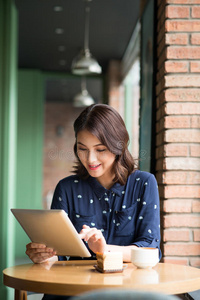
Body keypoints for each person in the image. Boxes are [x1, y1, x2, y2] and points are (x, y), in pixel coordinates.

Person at [26, 104, 161, 299]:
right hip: (71, 292)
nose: (90, 159)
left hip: (126, 292)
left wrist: (104, 250)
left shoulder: (144, 184)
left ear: (119, 146)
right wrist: (45, 255)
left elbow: (151, 250)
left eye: (100, 149)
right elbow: (60, 255)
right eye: (82, 149)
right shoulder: (67, 188)